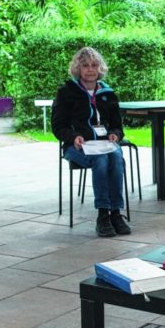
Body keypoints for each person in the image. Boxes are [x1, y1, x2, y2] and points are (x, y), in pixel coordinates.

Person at [51, 46, 131, 238]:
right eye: (85, 66)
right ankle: (103, 215)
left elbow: (117, 126)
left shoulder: (108, 93)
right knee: (101, 160)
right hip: (77, 146)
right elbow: (58, 126)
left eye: (94, 65)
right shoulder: (66, 92)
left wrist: (115, 135)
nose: (90, 69)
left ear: (99, 68)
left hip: (105, 144)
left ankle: (116, 213)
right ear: (78, 68)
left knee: (116, 158)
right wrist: (73, 137)